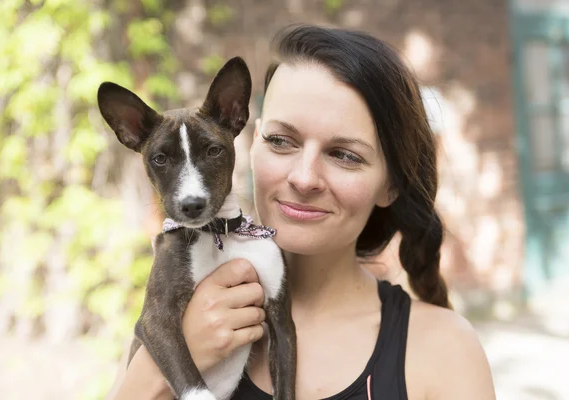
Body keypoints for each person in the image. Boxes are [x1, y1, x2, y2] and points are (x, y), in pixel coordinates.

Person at [109, 24, 496, 400]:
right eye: (280, 141)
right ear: (252, 139)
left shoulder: (444, 352)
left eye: (345, 155)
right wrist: (159, 372)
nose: (304, 177)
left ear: (391, 183)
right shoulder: (177, 318)